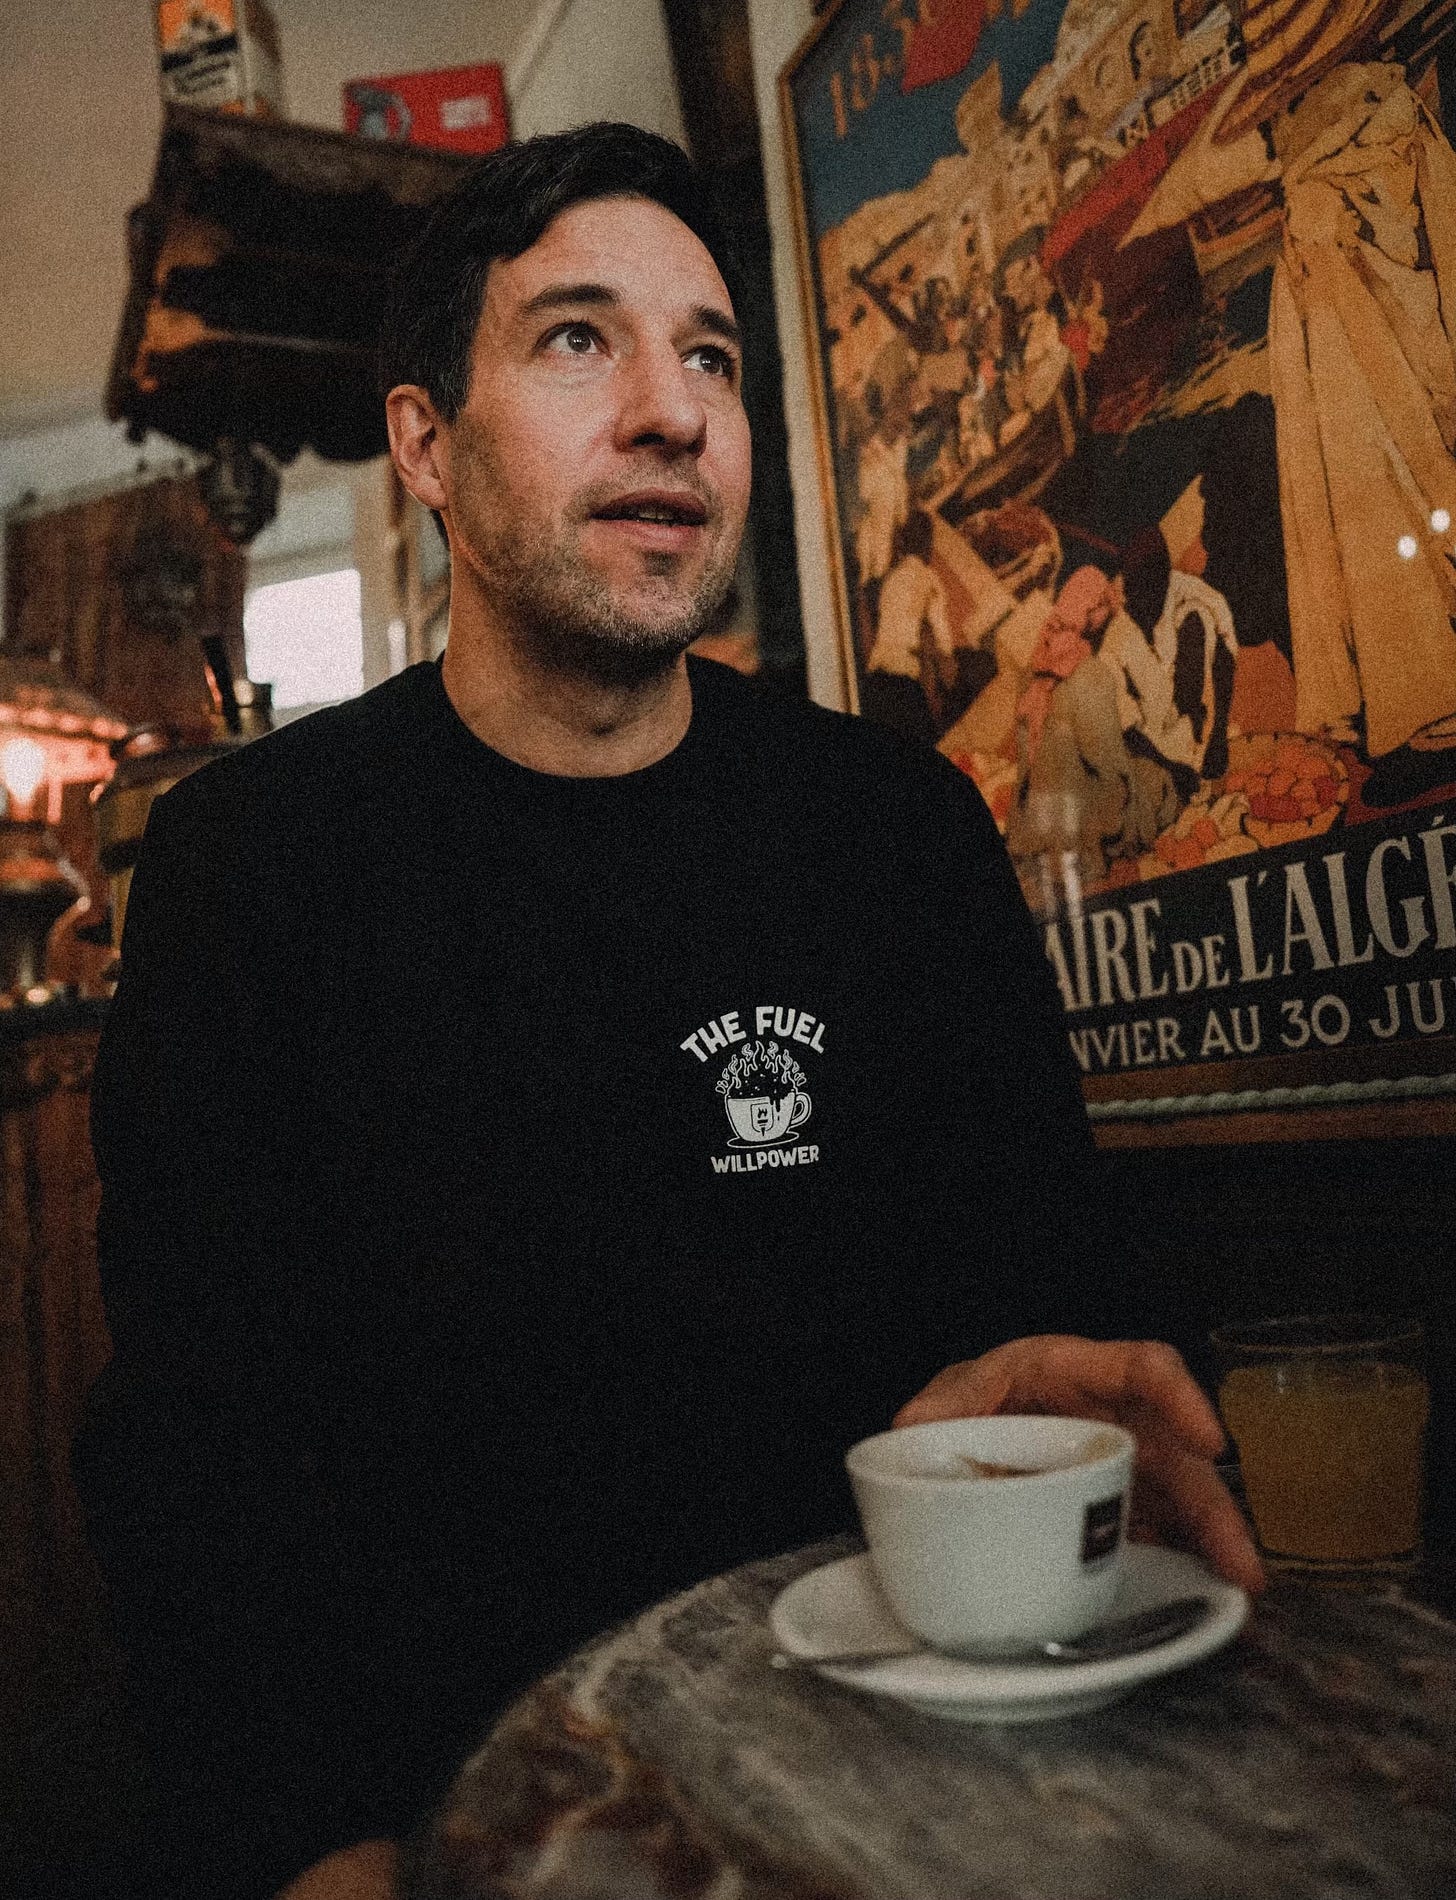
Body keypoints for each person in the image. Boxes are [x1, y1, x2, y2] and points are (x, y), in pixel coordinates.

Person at [75, 124, 1261, 1900]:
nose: (670, 410)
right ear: (424, 447)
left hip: (906, 1767)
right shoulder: (254, 866)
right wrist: (318, 1842)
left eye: (708, 353)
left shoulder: (898, 833)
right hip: (454, 1802)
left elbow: (1056, 1298)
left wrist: (1027, 1389)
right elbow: (199, 1456)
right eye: (579, 340)